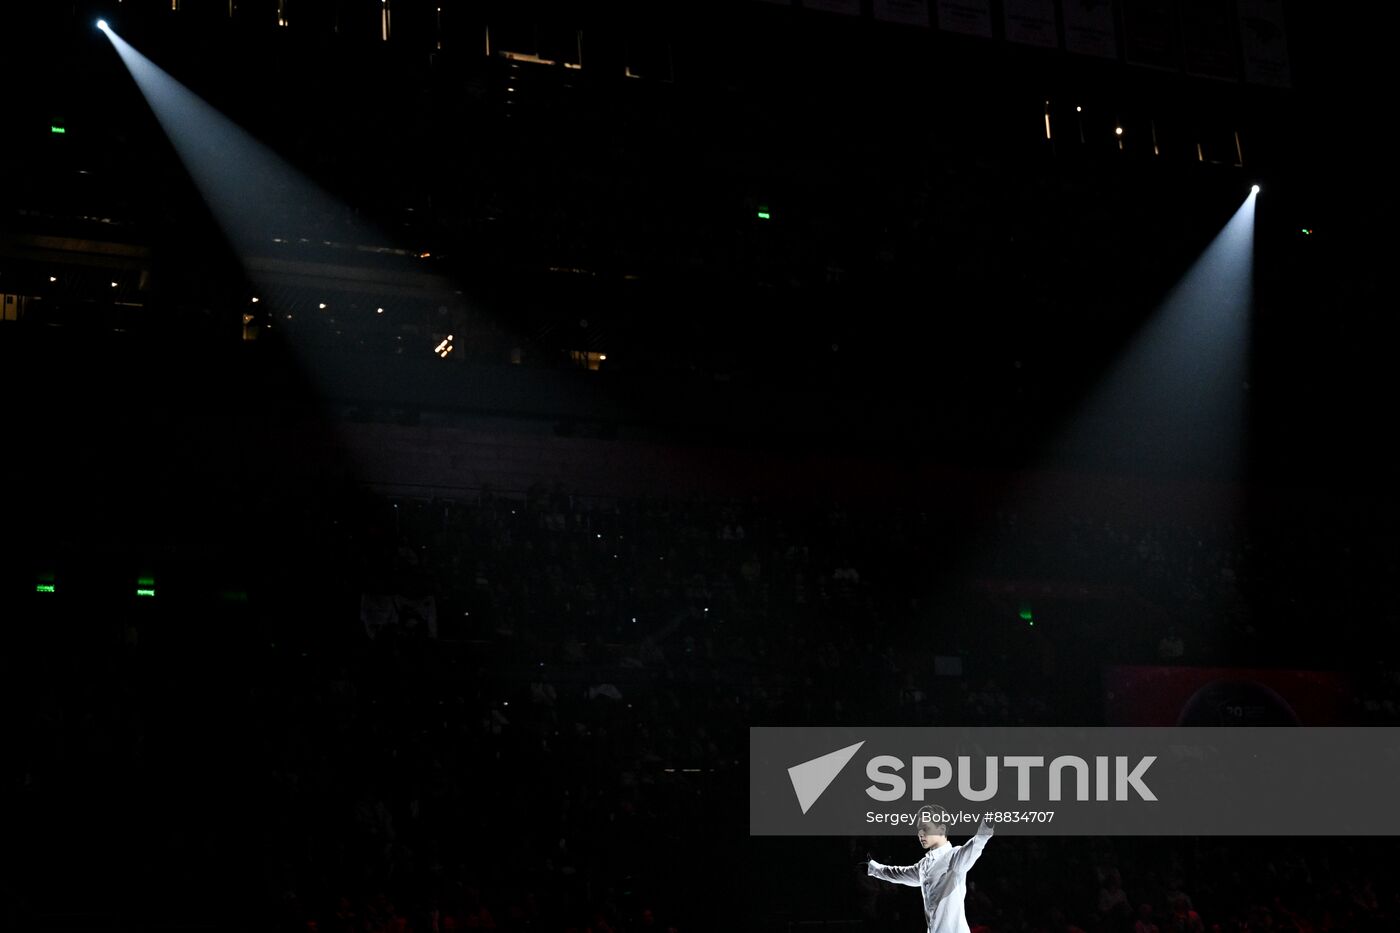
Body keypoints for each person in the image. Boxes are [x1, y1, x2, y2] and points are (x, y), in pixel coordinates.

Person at [864, 812, 994, 933]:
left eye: (925, 828)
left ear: (942, 829)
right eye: (919, 829)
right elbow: (897, 873)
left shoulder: (954, 857)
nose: (920, 833)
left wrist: (987, 824)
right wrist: (872, 867)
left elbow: (978, 842)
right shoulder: (924, 865)